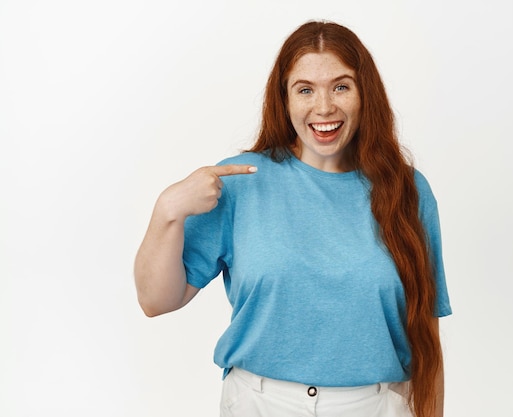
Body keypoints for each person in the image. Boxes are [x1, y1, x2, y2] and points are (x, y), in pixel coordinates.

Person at [134, 20, 451, 417]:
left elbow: (427, 336)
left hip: (377, 405)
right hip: (260, 403)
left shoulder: (408, 190)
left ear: (364, 94)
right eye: (305, 90)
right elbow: (155, 300)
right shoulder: (239, 182)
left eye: (341, 86)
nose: (324, 107)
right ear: (284, 100)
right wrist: (167, 211)